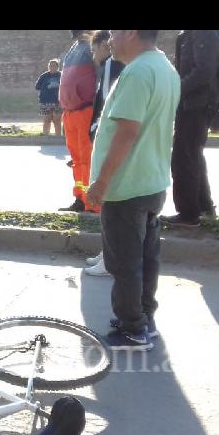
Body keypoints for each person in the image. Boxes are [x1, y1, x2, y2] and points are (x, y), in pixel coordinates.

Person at [85, 30, 180, 350]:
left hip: (127, 187)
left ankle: (132, 329)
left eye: (113, 32)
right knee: (145, 258)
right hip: (151, 182)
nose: (109, 39)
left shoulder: (138, 71)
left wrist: (100, 183)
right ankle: (143, 318)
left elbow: (127, 132)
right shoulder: (165, 68)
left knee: (123, 262)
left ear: (131, 32)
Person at [163, 30, 219, 227]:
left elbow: (205, 71)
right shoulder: (187, 35)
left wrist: (177, 89)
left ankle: (188, 214)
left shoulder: (204, 34)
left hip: (198, 105)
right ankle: (203, 208)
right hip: (190, 104)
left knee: (184, 158)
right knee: (192, 155)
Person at [85, 30, 126, 278]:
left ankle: (111, 258)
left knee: (111, 203)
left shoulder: (117, 65)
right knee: (110, 205)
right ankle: (108, 252)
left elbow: (108, 104)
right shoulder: (113, 65)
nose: (94, 53)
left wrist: (96, 128)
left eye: (95, 48)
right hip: (107, 138)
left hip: (110, 140)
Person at [59, 30, 99, 214]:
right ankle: (80, 199)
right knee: (77, 161)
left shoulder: (94, 46)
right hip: (71, 113)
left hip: (85, 111)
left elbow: (101, 79)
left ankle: (92, 203)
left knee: (87, 160)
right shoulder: (75, 48)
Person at [35, 59, 63, 136]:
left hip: (58, 101)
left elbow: (66, 87)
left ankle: (58, 137)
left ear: (57, 67)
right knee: (47, 120)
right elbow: (37, 87)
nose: (52, 67)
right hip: (45, 101)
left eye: (54, 66)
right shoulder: (44, 76)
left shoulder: (61, 75)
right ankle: (46, 137)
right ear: (48, 67)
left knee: (57, 120)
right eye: (50, 66)